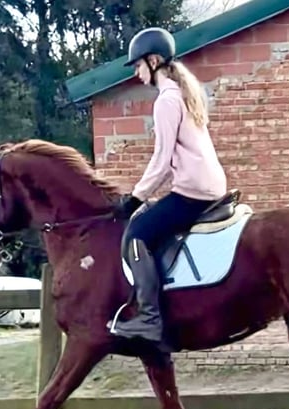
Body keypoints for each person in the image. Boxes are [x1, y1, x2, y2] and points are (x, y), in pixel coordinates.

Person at [110, 27, 228, 344]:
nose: (136, 73)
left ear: (154, 60)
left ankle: (149, 319)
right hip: (208, 186)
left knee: (137, 233)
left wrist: (135, 199)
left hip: (195, 192)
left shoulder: (166, 101)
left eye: (138, 66)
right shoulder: (184, 93)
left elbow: (161, 161)